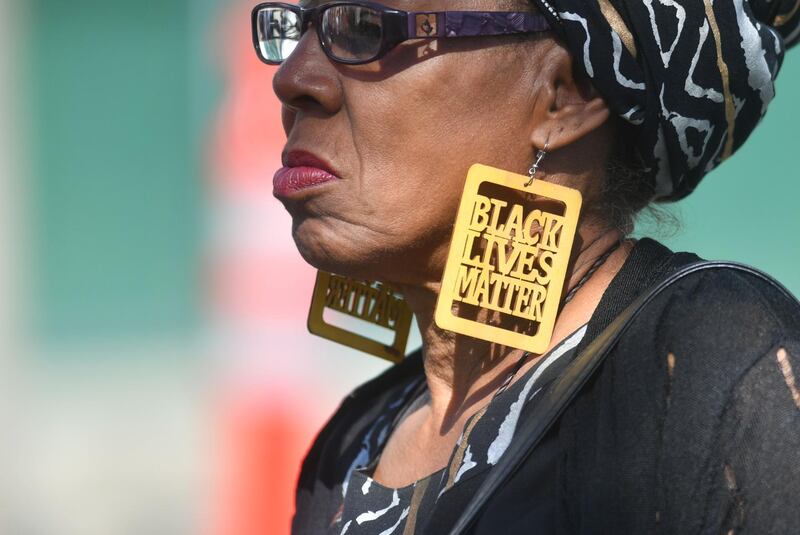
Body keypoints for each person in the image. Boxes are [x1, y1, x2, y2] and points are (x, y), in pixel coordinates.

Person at [252, 0, 800, 532]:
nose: (293, 79)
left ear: (566, 97)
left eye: (364, 26)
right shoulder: (350, 445)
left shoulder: (711, 361)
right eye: (300, 25)